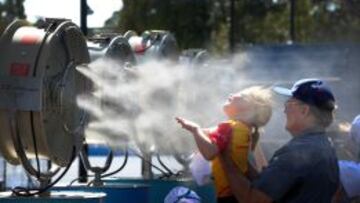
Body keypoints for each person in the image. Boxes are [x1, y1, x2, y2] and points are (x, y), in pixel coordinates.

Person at [219, 78, 340, 203]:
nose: (284, 110)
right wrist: (240, 161)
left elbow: (253, 199)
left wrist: (224, 154)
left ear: (304, 110)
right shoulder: (324, 145)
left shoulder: (297, 154)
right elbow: (267, 186)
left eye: (289, 104)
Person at [176, 86, 272, 203]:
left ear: (247, 107)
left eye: (240, 95)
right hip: (240, 193)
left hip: (228, 197)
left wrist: (195, 129)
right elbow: (209, 132)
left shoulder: (229, 127)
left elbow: (210, 153)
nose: (231, 94)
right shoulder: (245, 129)